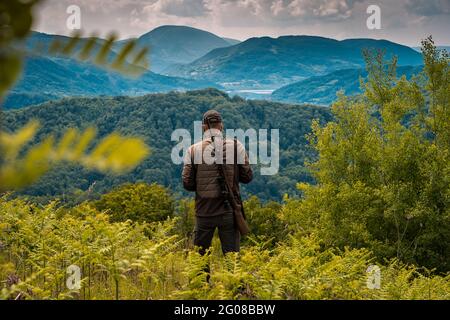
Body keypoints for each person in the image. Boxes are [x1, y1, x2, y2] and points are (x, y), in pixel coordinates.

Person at [182, 110, 253, 255]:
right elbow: (247, 177)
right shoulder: (236, 146)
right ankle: (230, 279)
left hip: (204, 211)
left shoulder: (193, 150)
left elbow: (187, 184)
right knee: (231, 259)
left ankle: (202, 279)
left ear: (203, 127)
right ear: (221, 126)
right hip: (228, 210)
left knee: (200, 260)